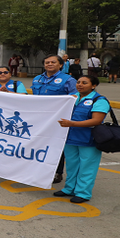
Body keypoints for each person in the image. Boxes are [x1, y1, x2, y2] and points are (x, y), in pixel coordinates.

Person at [55, 75, 110, 203]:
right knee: (72, 166)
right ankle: (69, 189)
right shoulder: (72, 98)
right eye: (78, 82)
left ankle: (83, 193)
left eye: (84, 83)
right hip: (70, 138)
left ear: (93, 85)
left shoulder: (99, 100)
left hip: (89, 139)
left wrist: (72, 124)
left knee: (87, 167)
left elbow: (96, 120)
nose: (80, 84)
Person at [31, 54, 78, 183]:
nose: (49, 64)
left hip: (58, 120)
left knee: (57, 145)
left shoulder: (68, 80)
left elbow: (75, 97)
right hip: (40, 118)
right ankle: (38, 169)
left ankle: (57, 172)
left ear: (60, 65)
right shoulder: (37, 79)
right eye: (47, 62)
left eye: (53, 62)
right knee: (39, 143)